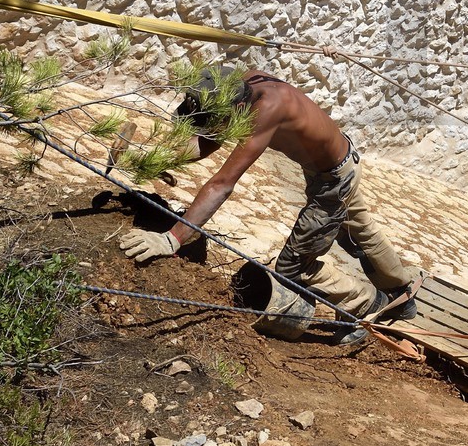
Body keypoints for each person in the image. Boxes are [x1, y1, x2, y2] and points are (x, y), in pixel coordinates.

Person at [118, 67, 419, 343]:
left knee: (293, 267)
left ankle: (369, 304)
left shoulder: (268, 110)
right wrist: (153, 158)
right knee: (359, 230)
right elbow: (211, 138)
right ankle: (402, 292)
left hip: (334, 180)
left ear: (236, 108)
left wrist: (172, 238)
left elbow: (222, 184)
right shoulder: (236, 86)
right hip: (339, 162)